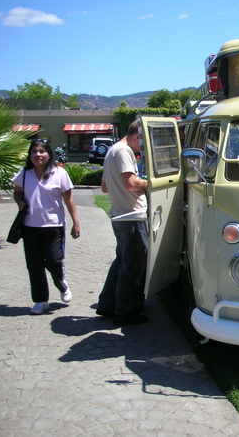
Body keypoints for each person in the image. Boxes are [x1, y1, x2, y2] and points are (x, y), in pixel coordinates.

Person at [12, 139, 81, 315]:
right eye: (34, 152)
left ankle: (61, 283)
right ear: (30, 155)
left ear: (49, 154)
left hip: (54, 226)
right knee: (34, 265)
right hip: (30, 226)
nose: (38, 155)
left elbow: (69, 199)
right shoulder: (25, 173)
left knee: (53, 260)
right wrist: (19, 202)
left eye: (42, 151)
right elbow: (17, 192)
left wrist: (76, 222)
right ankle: (41, 301)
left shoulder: (60, 173)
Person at [96, 120, 149, 326]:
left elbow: (104, 187)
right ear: (138, 136)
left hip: (119, 216)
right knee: (133, 267)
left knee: (121, 263)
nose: (143, 149)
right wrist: (150, 182)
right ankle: (125, 312)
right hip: (131, 217)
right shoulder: (124, 151)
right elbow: (131, 183)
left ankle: (107, 305)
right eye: (143, 142)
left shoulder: (112, 150)